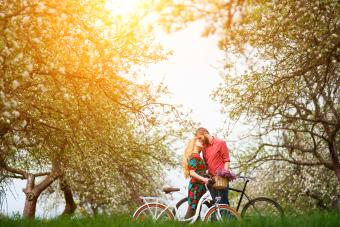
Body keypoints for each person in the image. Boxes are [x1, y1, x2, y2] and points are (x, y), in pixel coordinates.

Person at [195, 127, 230, 205]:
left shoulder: (220, 143)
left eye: (200, 138)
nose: (199, 140)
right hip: (211, 180)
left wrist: (223, 174)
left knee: (223, 203)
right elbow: (206, 165)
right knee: (215, 205)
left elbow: (226, 160)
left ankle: (229, 217)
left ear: (205, 134)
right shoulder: (204, 148)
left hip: (221, 179)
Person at [182, 138, 210, 219]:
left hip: (200, 187)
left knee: (197, 212)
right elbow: (192, 172)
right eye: (199, 140)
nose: (201, 142)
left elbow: (201, 171)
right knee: (192, 211)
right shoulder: (194, 156)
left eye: (202, 141)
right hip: (195, 187)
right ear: (194, 143)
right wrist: (204, 179)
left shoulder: (198, 156)